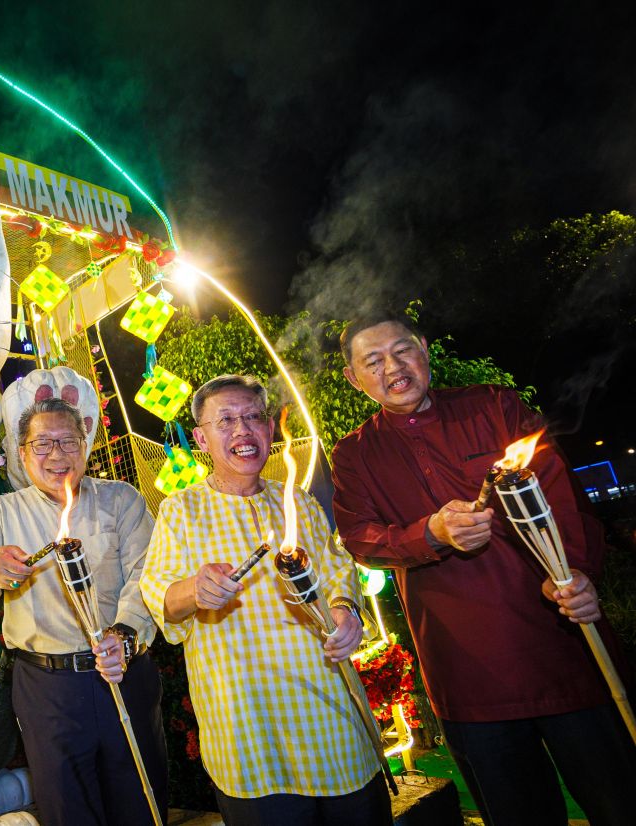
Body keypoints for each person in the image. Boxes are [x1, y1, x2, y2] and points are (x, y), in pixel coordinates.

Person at [331, 312, 635, 826]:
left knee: (621, 803)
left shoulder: (494, 406)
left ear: (424, 349)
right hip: (468, 678)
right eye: (374, 361)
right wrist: (430, 532)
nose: (393, 368)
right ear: (354, 378)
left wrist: (578, 573)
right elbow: (360, 537)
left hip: (563, 647)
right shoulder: (355, 455)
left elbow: (565, 502)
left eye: (402, 350)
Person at [141, 375, 392, 826]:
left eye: (253, 417)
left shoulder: (295, 501)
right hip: (250, 729)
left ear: (270, 430)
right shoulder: (180, 510)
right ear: (201, 437)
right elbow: (159, 593)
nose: (243, 430)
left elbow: (339, 571)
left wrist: (347, 612)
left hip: (332, 718)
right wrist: (195, 590)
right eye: (226, 420)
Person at [0, 397, 169, 826]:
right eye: (42, 444)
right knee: (66, 808)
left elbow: (148, 575)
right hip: (48, 688)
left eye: (68, 441)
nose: (57, 455)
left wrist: (124, 634)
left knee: (141, 800)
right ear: (22, 454)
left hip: (124, 673)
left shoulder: (122, 500)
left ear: (86, 447)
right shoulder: (7, 512)